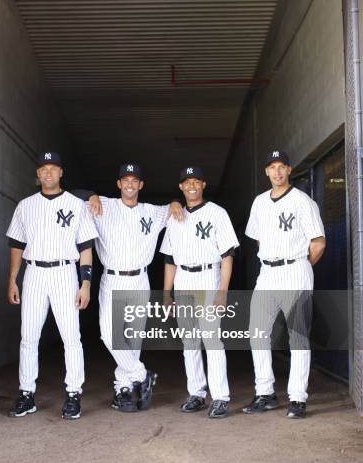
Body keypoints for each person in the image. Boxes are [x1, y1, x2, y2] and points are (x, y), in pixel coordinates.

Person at [76, 163, 183, 413]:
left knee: (132, 340)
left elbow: (174, 208)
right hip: (112, 279)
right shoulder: (103, 205)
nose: (130, 184)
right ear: (119, 184)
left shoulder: (152, 211)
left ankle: (122, 390)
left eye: (135, 180)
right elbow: (68, 194)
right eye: (126, 180)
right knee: (109, 334)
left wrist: (176, 202)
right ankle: (142, 375)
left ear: (141, 185)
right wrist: (90, 194)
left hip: (140, 280)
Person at [6, 152, 98, 420]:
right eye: (43, 169)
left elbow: (86, 248)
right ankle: (26, 394)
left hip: (64, 273)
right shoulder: (25, 205)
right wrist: (13, 278)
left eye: (53, 168)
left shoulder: (76, 204)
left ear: (61, 173)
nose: (48, 173)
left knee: (71, 337)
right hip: (34, 273)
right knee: (29, 337)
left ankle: (73, 394)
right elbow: (16, 245)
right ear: (37, 174)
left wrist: (86, 284)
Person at [243, 150, 326, 419]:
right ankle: (265, 393)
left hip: (295, 270)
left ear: (289, 170)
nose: (277, 172)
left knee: (298, 336)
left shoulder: (303, 201)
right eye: (272, 167)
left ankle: (298, 399)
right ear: (266, 172)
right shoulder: (259, 203)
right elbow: (258, 239)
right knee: (257, 333)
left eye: (282, 166)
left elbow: (318, 242)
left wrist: (299, 267)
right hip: (267, 272)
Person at [160, 166, 239, 419]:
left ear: (203, 185)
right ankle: (196, 393)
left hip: (208, 276)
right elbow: (170, 260)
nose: (191, 186)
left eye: (196, 181)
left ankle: (220, 397)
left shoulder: (217, 213)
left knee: (212, 341)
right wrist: (166, 294)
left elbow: (227, 255)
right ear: (181, 187)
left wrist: (222, 291)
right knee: (189, 342)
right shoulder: (174, 216)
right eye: (187, 182)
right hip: (183, 278)